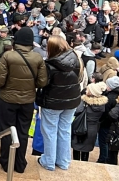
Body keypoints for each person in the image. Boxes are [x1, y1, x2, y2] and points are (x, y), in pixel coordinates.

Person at [0, 27, 47, 174]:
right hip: (27, 101)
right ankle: (20, 163)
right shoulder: (37, 58)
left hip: (8, 100)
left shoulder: (8, 56)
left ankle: (6, 162)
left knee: (7, 131)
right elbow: (42, 82)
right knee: (23, 132)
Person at [37, 34, 82, 171]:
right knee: (65, 130)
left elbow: (42, 83)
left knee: (49, 131)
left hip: (53, 102)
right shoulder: (75, 58)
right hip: (72, 101)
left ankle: (49, 161)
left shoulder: (49, 65)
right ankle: (63, 161)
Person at [72, 82, 107, 161]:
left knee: (76, 147)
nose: (86, 90)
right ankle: (85, 163)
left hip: (80, 127)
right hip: (93, 128)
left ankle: (76, 163)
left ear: (91, 92)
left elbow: (77, 111)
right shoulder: (102, 104)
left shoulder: (84, 101)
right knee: (86, 149)